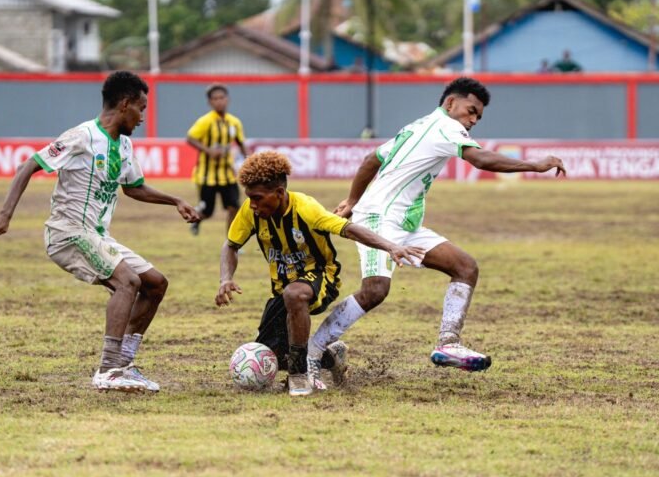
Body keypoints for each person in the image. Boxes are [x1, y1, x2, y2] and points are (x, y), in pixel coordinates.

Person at [317, 77, 566, 374]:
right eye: (470, 110)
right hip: (379, 218)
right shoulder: (447, 127)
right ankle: (311, 351)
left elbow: (372, 159)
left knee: (465, 267)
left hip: (403, 223)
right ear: (450, 103)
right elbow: (481, 159)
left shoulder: (419, 125)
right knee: (375, 290)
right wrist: (535, 165)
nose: (473, 120)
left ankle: (448, 343)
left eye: (478, 116)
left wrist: (351, 199)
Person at [0, 71, 200, 393]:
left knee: (155, 284)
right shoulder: (81, 137)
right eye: (141, 108)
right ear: (124, 104)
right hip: (68, 232)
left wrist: (175, 200)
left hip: (98, 236)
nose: (143, 117)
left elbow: (134, 188)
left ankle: (124, 364)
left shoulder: (124, 145)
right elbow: (30, 165)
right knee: (128, 281)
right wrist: (4, 215)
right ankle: (109, 370)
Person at [216, 151, 424, 397]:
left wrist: (391, 246)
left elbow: (350, 229)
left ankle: (299, 376)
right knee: (272, 354)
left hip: (321, 277)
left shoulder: (306, 209)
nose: (252, 205)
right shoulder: (251, 211)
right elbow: (231, 245)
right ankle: (331, 357)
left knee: (295, 294)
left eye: (258, 198)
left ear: (280, 194)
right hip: (282, 289)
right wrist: (226, 278)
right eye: (249, 198)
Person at [186, 83, 248, 236]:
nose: (219, 101)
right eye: (215, 98)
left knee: (234, 207)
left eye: (222, 97)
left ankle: (232, 241)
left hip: (227, 174)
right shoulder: (205, 121)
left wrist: (248, 162)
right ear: (210, 102)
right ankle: (198, 219)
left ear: (227, 99)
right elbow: (190, 138)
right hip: (207, 176)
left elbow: (241, 143)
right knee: (208, 212)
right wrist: (209, 151)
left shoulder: (234, 122)